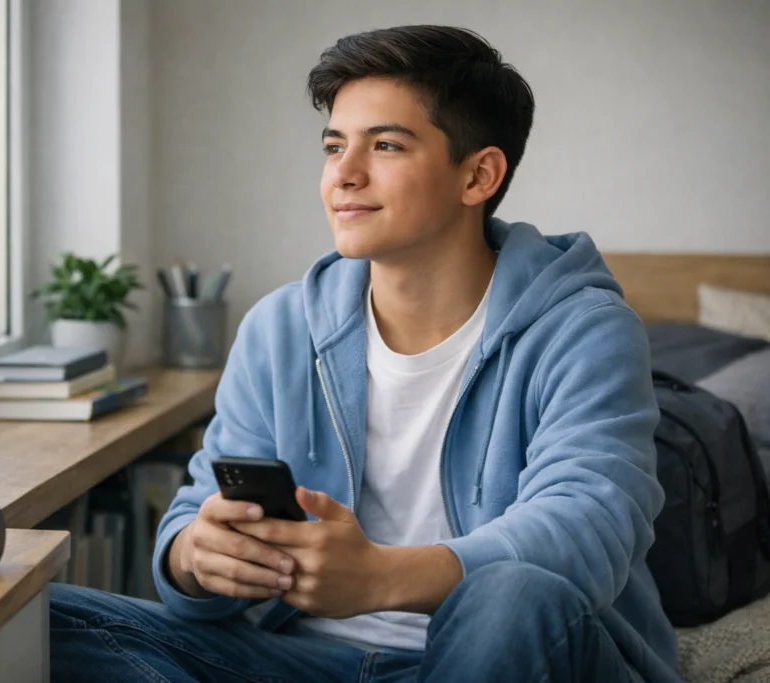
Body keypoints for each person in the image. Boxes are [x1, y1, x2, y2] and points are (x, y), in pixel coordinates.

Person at [50, 24, 680, 683]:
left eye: (384, 145)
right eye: (334, 147)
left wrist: (380, 576)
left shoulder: (584, 329)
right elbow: (199, 505)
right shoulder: (279, 329)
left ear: (479, 175)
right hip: (307, 658)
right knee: (43, 616)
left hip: (493, 652)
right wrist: (195, 556)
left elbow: (588, 526)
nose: (344, 176)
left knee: (514, 593)